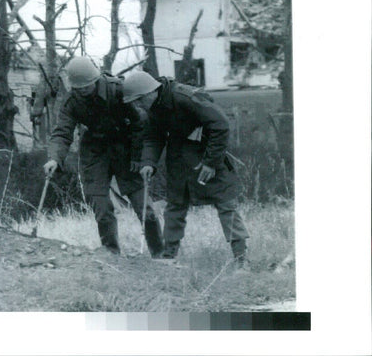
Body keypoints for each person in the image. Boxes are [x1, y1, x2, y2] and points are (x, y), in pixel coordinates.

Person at [122, 71, 249, 268]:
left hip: (207, 157)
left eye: (138, 101)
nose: (138, 106)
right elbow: (153, 137)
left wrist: (211, 162)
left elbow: (220, 124)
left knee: (226, 205)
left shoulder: (185, 97)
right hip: (178, 162)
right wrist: (148, 162)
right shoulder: (154, 108)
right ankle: (169, 256)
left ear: (149, 93)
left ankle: (241, 258)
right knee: (175, 207)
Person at [43, 57, 164, 257]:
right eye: (77, 88)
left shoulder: (117, 89)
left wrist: (137, 156)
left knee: (144, 207)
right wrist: (54, 158)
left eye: (86, 87)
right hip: (95, 151)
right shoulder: (72, 102)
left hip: (125, 148)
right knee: (101, 207)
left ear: (95, 80)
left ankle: (159, 253)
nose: (81, 91)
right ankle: (111, 254)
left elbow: (140, 124)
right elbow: (62, 133)